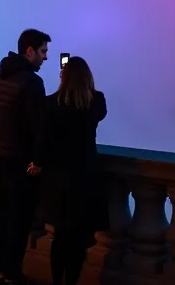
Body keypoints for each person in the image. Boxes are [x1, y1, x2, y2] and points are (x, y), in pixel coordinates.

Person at [32, 55, 108, 285]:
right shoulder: (96, 102)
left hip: (58, 177)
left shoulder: (50, 103)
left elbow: (43, 140)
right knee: (77, 238)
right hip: (85, 176)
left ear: (62, 77)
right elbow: (97, 114)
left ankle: (57, 281)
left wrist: (38, 162)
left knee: (60, 237)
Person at [0, 28, 50, 285]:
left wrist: (7, 127)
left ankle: (3, 270)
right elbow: (39, 126)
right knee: (21, 218)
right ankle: (12, 273)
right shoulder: (32, 82)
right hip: (21, 158)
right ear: (30, 51)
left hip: (1, 152)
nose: (45, 58)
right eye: (43, 52)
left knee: (5, 214)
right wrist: (39, 158)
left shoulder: (0, 72)